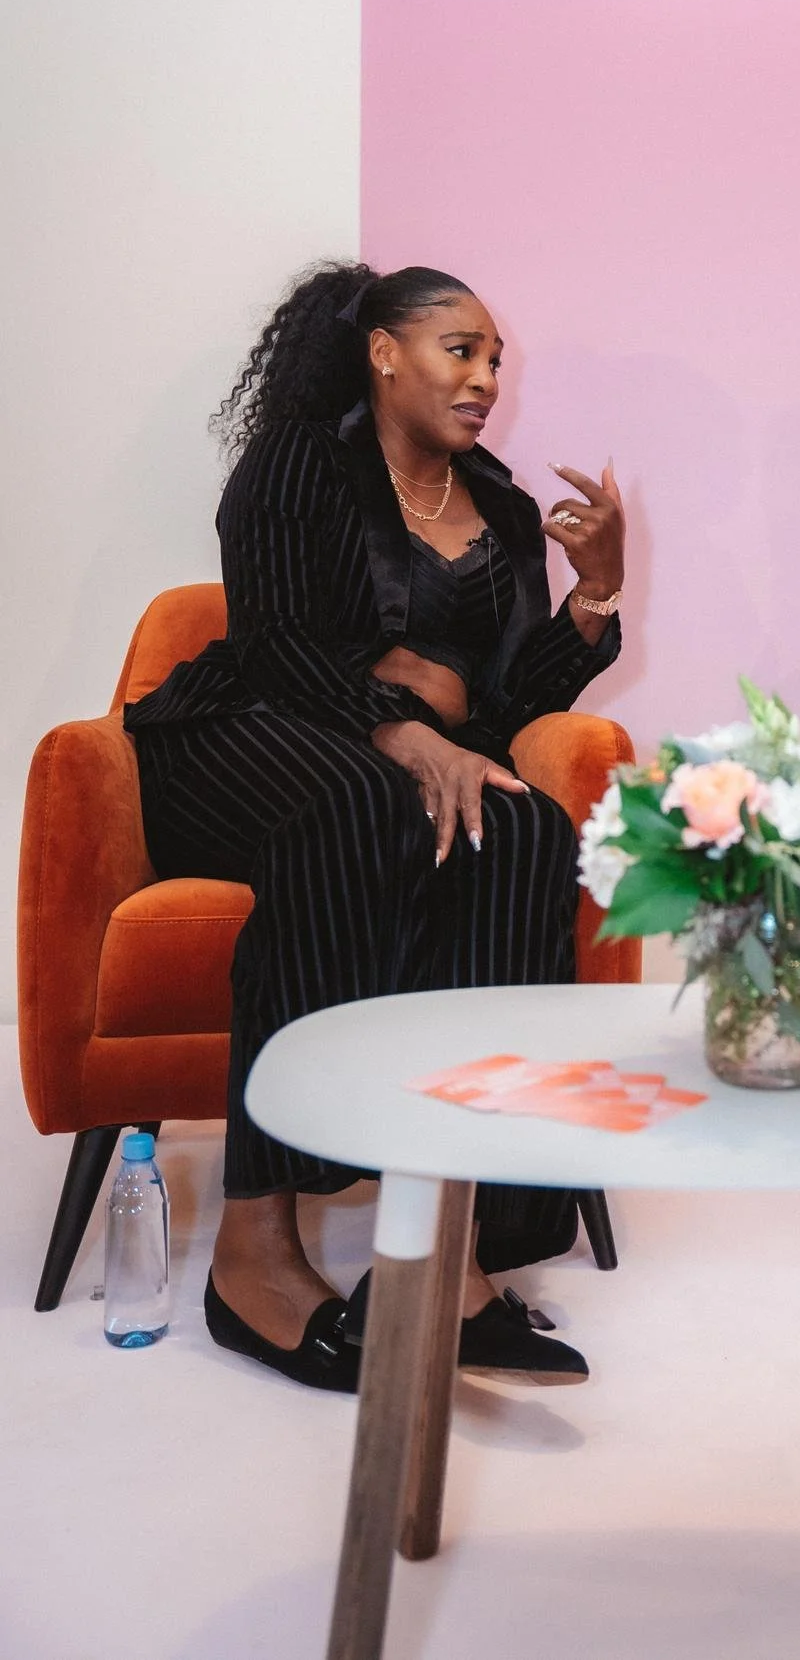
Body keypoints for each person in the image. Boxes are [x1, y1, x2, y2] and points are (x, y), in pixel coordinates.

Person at [125, 262, 626, 1389]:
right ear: (384, 353)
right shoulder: (303, 461)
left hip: (392, 766)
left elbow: (504, 706)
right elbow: (276, 646)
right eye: (463, 349)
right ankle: (253, 1254)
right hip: (243, 738)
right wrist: (402, 728)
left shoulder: (498, 505)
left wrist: (595, 596)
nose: (487, 376)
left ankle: (447, 1256)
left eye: (497, 359)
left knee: (527, 831)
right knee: (356, 801)